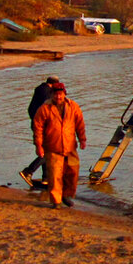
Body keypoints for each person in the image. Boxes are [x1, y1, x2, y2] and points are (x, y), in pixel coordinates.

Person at [31, 81, 87, 209]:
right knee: (55, 175)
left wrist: (82, 139)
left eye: (60, 94)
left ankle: (66, 195)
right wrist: (38, 145)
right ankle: (56, 201)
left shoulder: (73, 106)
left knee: (73, 173)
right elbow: (37, 128)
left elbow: (80, 124)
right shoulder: (45, 109)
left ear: (64, 94)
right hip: (52, 147)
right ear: (52, 95)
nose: (58, 97)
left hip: (70, 146)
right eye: (56, 95)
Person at [19, 75, 59, 188]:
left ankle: (45, 178)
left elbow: (30, 109)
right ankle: (28, 171)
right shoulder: (47, 94)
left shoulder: (39, 91)